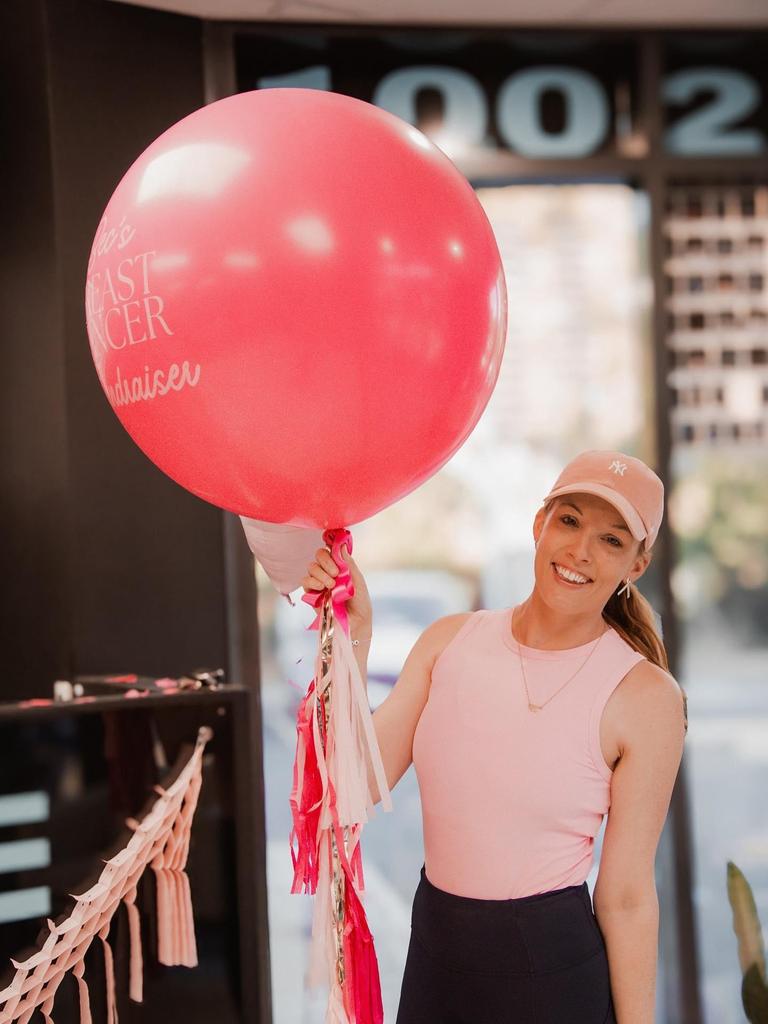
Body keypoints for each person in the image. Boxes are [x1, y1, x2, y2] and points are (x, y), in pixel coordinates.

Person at [302, 449, 688, 1024]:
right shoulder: (449, 642)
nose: (580, 551)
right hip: (435, 954)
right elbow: (350, 789)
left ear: (637, 564)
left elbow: (627, 896)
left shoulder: (646, 697)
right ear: (540, 524)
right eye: (570, 520)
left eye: (612, 541)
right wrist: (355, 634)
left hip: (549, 971)